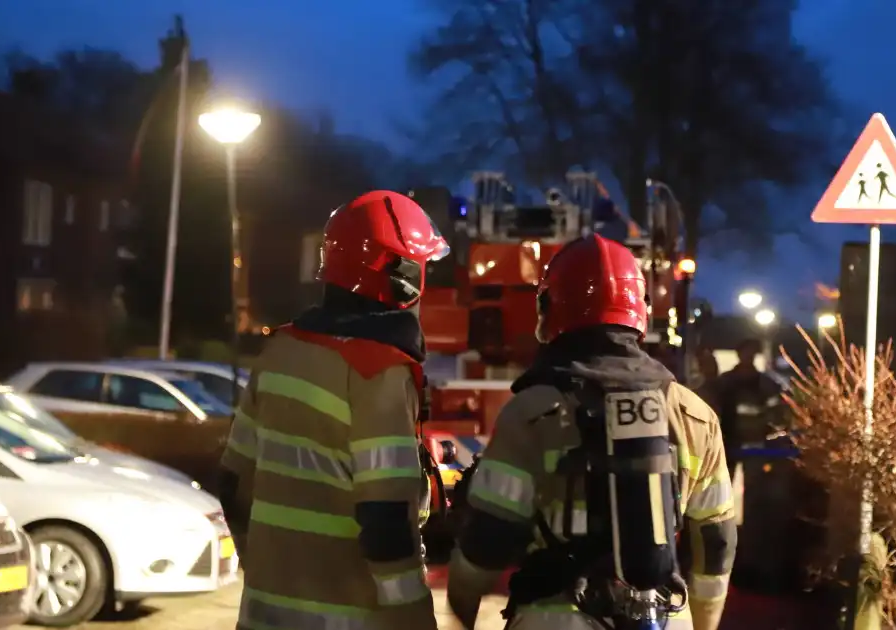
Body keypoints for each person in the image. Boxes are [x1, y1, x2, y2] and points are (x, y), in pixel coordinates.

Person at [447, 234, 737, 630]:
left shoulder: (533, 412)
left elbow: (490, 538)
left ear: (548, 309)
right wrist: (702, 622)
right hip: (663, 618)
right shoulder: (695, 414)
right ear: (641, 310)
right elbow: (716, 543)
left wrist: (460, 604)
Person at [218, 190, 449, 630]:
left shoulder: (278, 352)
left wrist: (264, 567)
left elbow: (232, 483)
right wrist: (416, 620)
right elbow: (386, 524)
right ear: (400, 275)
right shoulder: (377, 371)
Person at [699, 338, 784, 471]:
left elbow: (776, 412)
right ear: (738, 354)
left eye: (751, 353)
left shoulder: (767, 384)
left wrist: (769, 432)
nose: (748, 356)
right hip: (728, 442)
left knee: (753, 485)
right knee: (725, 484)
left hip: (756, 444)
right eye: (745, 353)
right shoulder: (724, 382)